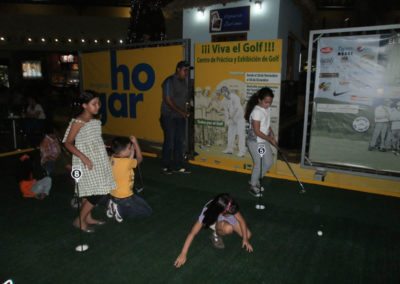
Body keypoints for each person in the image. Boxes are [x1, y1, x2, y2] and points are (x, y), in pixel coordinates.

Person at [63, 90, 116, 233]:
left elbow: (92, 140)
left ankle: (88, 217)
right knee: (97, 192)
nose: (97, 106)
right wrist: (84, 158)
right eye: (94, 104)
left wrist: (103, 146)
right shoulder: (78, 121)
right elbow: (68, 143)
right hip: (85, 161)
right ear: (84, 105)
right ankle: (79, 220)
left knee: (92, 190)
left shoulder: (95, 121)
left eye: (98, 103)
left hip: (98, 159)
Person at [174, 193, 253, 268]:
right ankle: (216, 233)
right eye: (230, 212)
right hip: (216, 220)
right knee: (228, 229)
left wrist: (245, 239)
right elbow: (192, 233)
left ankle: (226, 222)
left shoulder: (229, 204)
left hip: (227, 217)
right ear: (223, 211)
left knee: (248, 235)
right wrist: (183, 253)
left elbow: (242, 221)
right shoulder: (208, 211)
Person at [106, 136, 152, 223]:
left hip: (115, 194)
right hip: (124, 197)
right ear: (123, 151)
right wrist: (136, 143)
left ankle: (113, 203)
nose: (131, 149)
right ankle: (119, 210)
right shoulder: (127, 163)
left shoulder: (111, 158)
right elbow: (139, 159)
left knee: (141, 203)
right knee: (147, 212)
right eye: (129, 148)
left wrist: (131, 150)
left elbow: (127, 158)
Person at [245, 87, 278, 197]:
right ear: (259, 100)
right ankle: (253, 186)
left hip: (262, 141)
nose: (268, 104)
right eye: (266, 102)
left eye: (270, 102)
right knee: (259, 163)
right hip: (255, 142)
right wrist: (270, 139)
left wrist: (272, 133)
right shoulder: (256, 112)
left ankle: (255, 179)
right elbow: (257, 131)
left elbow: (266, 125)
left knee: (268, 162)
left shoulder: (266, 109)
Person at [160, 60, 191, 174]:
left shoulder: (184, 82)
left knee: (179, 141)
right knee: (170, 141)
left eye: (187, 70)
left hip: (179, 116)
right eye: (184, 70)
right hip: (169, 116)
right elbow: (167, 100)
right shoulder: (169, 81)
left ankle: (178, 165)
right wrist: (181, 111)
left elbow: (183, 99)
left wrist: (186, 108)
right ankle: (166, 165)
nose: (186, 72)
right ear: (178, 69)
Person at [221, 86, 246, 157]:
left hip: (240, 117)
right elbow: (225, 111)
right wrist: (227, 121)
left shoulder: (235, 97)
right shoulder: (224, 100)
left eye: (225, 91)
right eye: (222, 92)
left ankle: (242, 152)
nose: (224, 93)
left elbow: (237, 108)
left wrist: (231, 117)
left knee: (241, 134)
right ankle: (229, 149)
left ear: (228, 91)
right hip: (232, 118)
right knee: (230, 133)